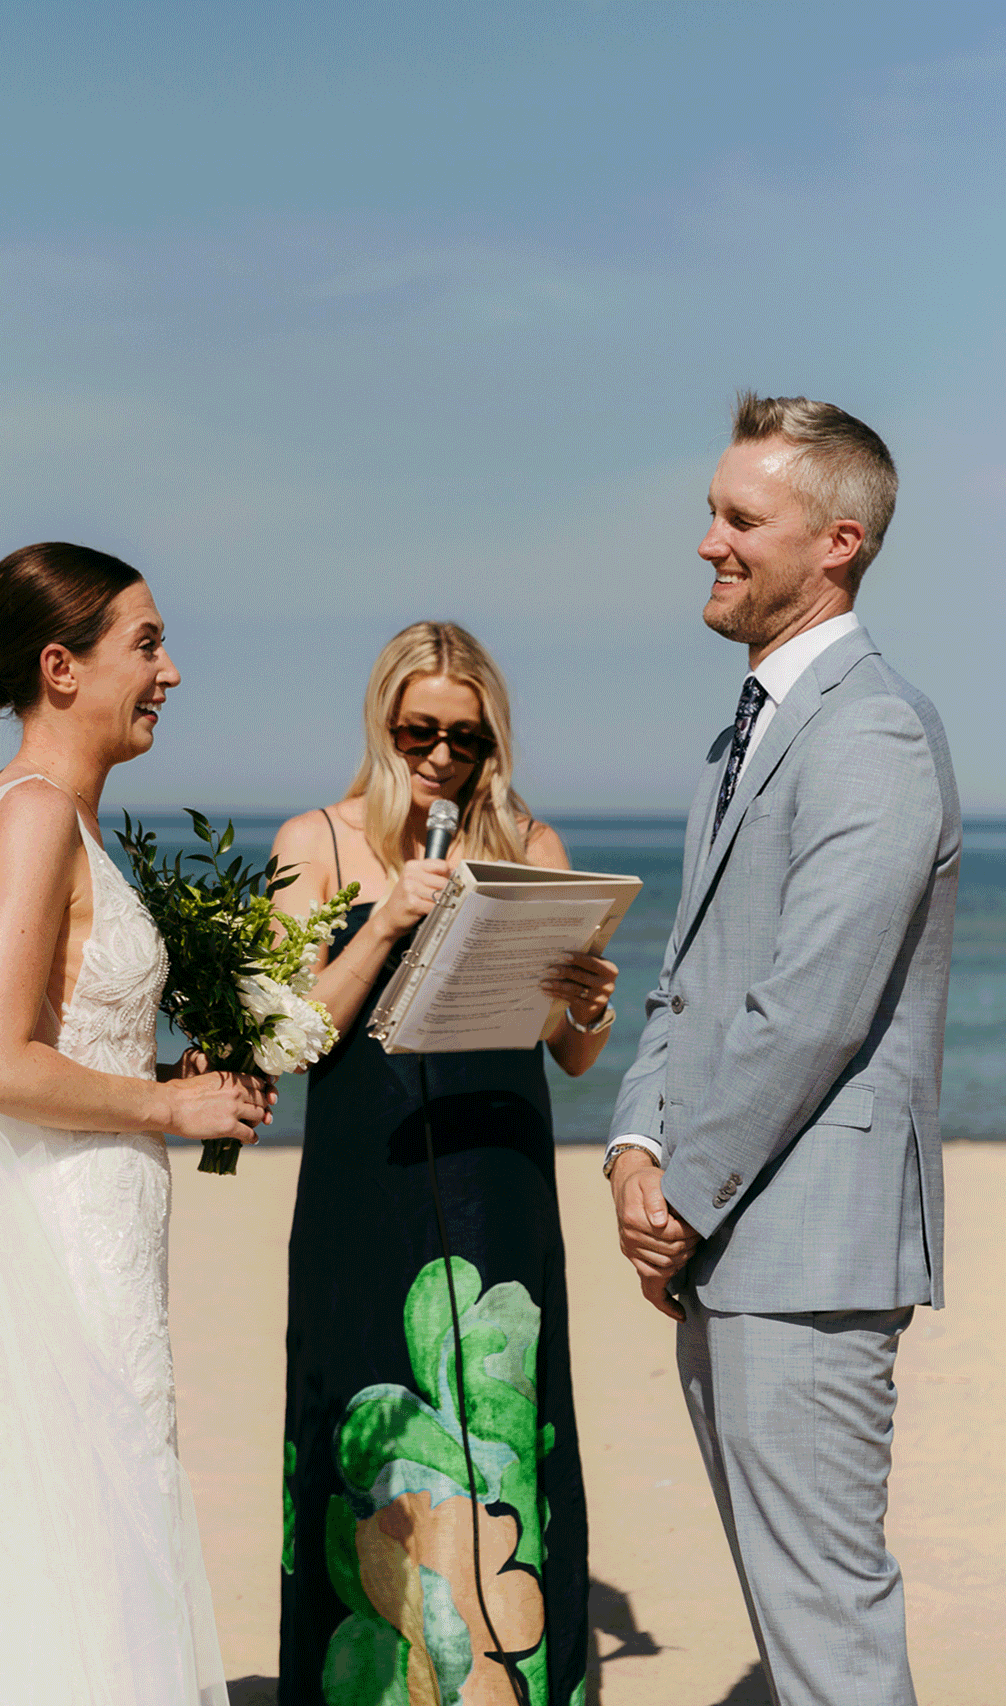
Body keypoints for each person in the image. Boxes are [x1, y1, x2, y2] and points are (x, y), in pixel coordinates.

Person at [607, 396, 960, 1706]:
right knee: (795, 1604)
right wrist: (636, 1141)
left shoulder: (870, 730)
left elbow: (808, 1009)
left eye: (741, 519)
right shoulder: (741, 729)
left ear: (838, 543)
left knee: (824, 1623)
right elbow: (695, 978)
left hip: (804, 1247)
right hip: (734, 1236)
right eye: (711, 510)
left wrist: (684, 1195)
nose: (708, 541)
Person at [0, 543, 274, 1706]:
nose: (171, 670)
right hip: (59, 1252)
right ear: (60, 667)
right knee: (78, 1543)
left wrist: (169, 1067)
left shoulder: (58, 818)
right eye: (147, 643)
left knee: (96, 1547)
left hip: (93, 1229)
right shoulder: (32, 818)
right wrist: (166, 1102)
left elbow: (55, 1039)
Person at [272, 622, 617, 1706]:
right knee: (365, 1407)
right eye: (418, 729)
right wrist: (384, 926)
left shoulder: (530, 838)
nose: (439, 754)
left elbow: (568, 1047)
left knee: (499, 1411)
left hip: (497, 1176)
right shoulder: (317, 842)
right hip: (362, 1176)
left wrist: (592, 1006)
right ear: (382, 723)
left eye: (464, 736)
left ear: (490, 739)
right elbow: (287, 1036)